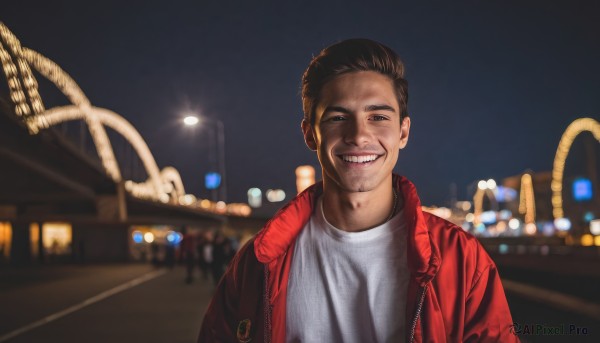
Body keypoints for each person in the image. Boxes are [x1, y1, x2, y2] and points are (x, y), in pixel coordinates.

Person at [199, 39, 518, 342]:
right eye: (338, 117)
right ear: (310, 134)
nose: (359, 135)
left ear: (403, 132)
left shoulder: (461, 259)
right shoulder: (258, 263)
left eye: (378, 117)